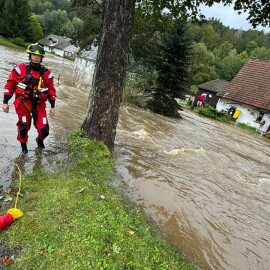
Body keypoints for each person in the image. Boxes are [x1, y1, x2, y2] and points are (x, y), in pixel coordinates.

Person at [2, 43, 56, 155]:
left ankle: (39, 140)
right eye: (33, 55)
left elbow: (51, 91)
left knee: (44, 129)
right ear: (30, 55)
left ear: (41, 58)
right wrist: (5, 102)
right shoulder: (19, 69)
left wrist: (52, 106)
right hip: (23, 103)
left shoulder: (47, 73)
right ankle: (24, 149)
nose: (36, 57)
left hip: (39, 104)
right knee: (23, 127)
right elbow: (10, 86)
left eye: (38, 56)